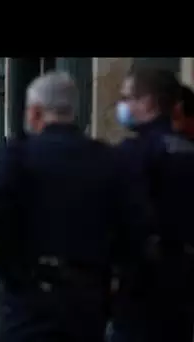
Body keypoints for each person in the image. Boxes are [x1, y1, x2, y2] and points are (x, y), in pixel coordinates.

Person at [0, 72, 148, 342]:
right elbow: (135, 224)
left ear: (34, 113)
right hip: (87, 293)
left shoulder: (19, 155)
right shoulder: (107, 159)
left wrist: (14, 262)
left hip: (30, 291)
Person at [111, 70, 194, 342]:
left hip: (141, 285)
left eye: (127, 98)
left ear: (147, 102)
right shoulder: (187, 149)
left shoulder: (134, 152)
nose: (123, 106)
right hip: (183, 284)